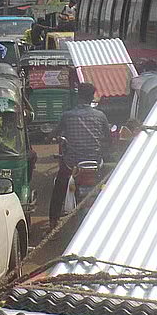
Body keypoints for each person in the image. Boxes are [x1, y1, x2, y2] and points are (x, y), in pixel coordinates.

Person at [49, 83, 110, 227]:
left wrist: (51, 137)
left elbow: (55, 133)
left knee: (59, 187)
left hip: (72, 164)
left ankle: (53, 221)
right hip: (95, 162)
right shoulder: (100, 116)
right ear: (92, 97)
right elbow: (108, 139)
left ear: (78, 96)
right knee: (106, 185)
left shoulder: (67, 116)